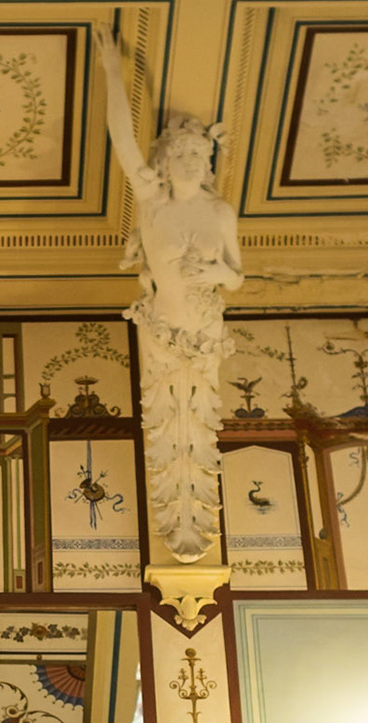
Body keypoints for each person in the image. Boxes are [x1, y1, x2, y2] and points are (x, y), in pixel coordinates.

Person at [95, 31, 243, 562]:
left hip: (204, 331)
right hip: (162, 327)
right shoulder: (153, 202)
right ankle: (179, 513)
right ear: (167, 159)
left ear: (205, 163)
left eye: (197, 155)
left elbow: (236, 280)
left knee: (197, 418)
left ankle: (192, 516)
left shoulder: (220, 213)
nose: (187, 162)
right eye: (179, 153)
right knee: (167, 419)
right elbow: (122, 141)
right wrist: (113, 74)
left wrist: (212, 272)